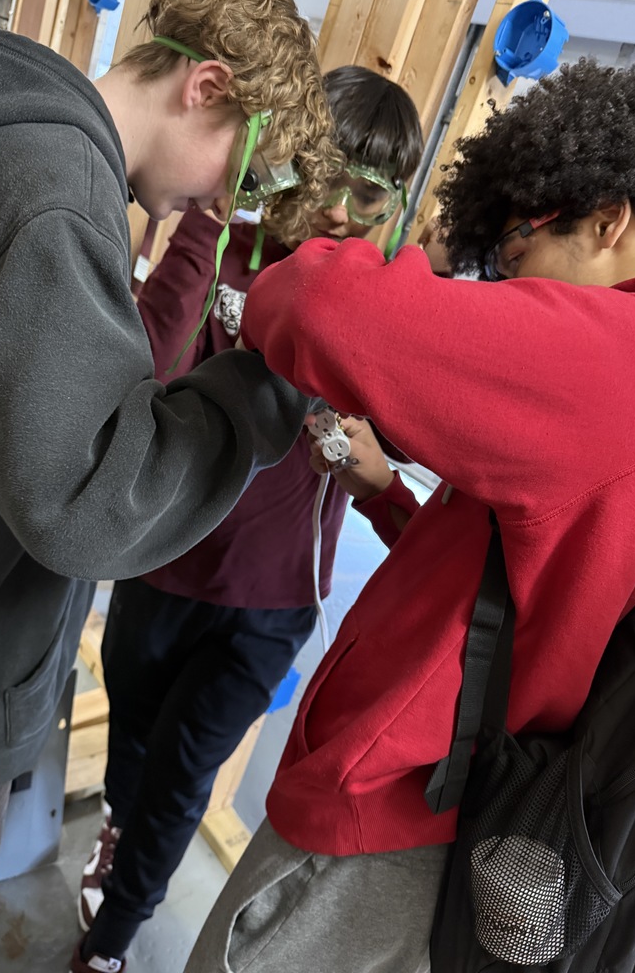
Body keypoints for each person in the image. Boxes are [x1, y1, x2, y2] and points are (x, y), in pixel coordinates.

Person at [183, 56, 635, 973]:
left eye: (519, 254)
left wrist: (385, 253)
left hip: (389, 818)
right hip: (458, 812)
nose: (510, 288)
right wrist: (389, 496)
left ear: (608, 220)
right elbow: (541, 594)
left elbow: (320, 305)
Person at [0, 0, 342, 973]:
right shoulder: (52, 200)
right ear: (207, 87)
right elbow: (92, 495)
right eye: (241, 169)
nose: (223, 201)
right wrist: (273, 380)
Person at [73, 65, 423, 973]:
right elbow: (146, 363)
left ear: (393, 207)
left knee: (183, 776)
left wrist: (366, 441)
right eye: (327, 178)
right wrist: (209, 222)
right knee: (133, 739)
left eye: (368, 198)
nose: (339, 212)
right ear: (293, 160)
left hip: (272, 600)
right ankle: (115, 830)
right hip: (164, 559)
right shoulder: (228, 246)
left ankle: (111, 942)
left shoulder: (382, 301)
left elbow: (401, 443)